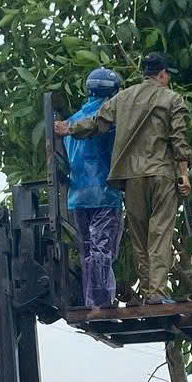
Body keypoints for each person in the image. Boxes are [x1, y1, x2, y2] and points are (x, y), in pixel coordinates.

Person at [56, 52, 192, 305]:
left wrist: (69, 128)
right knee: (160, 234)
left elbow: (96, 122)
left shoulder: (123, 98)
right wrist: (183, 174)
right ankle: (157, 292)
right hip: (161, 174)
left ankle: (147, 290)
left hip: (131, 178)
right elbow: (179, 139)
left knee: (139, 236)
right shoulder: (172, 99)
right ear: (162, 74)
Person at [64, 66, 125, 309]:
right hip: (104, 194)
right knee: (103, 248)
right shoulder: (109, 121)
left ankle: (92, 299)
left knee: (87, 249)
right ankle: (101, 299)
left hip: (77, 197)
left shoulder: (72, 121)